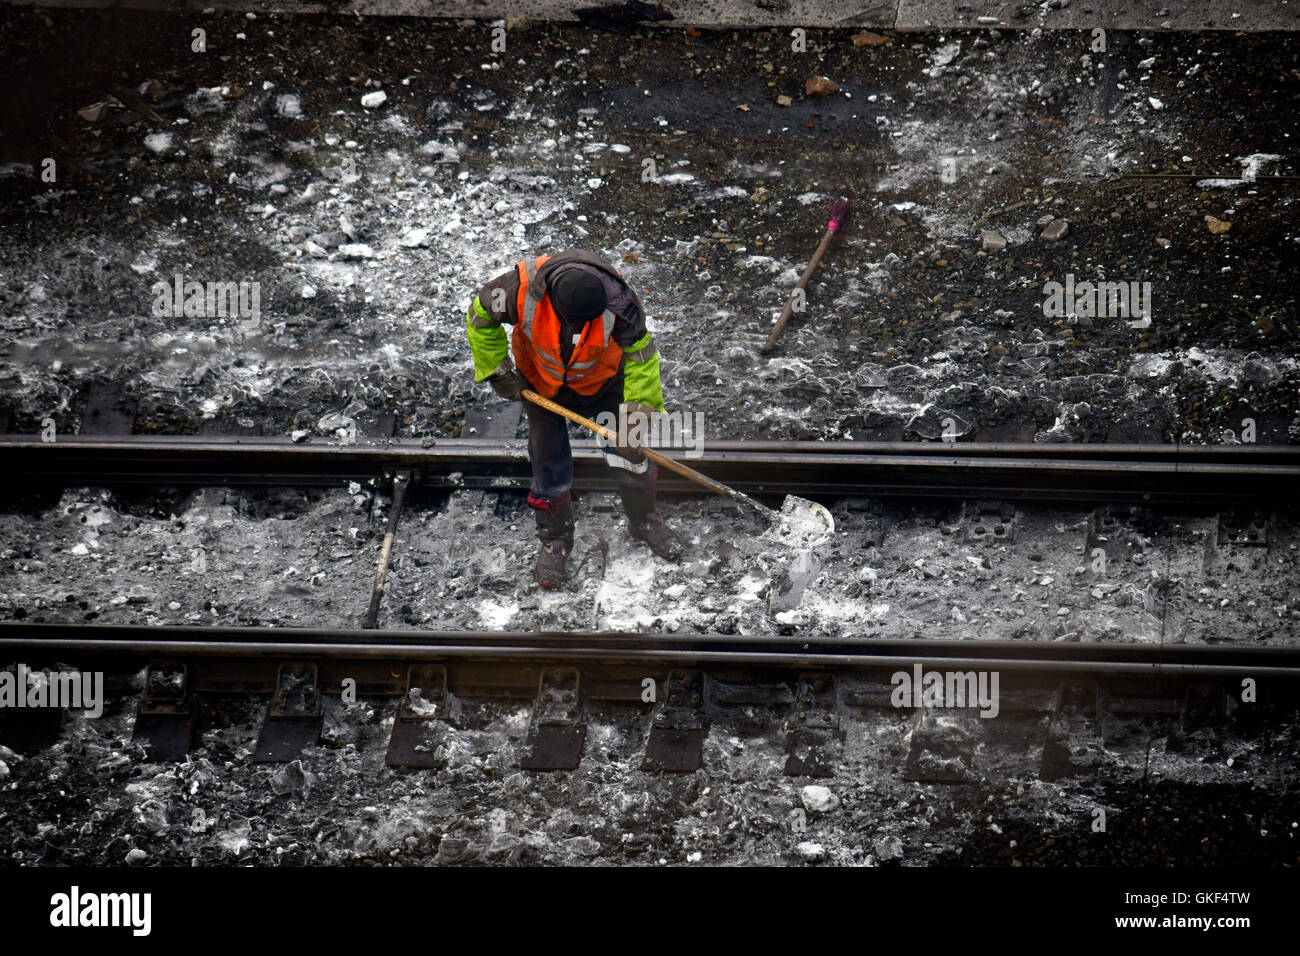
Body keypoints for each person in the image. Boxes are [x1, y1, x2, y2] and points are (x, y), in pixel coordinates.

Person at [465, 249, 683, 588]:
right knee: (548, 462)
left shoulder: (621, 303)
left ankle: (643, 520)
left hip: (603, 384)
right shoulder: (516, 289)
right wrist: (497, 369)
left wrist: (635, 418)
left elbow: (642, 356)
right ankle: (555, 540)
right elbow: (480, 317)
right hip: (539, 383)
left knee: (629, 456)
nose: (580, 328)